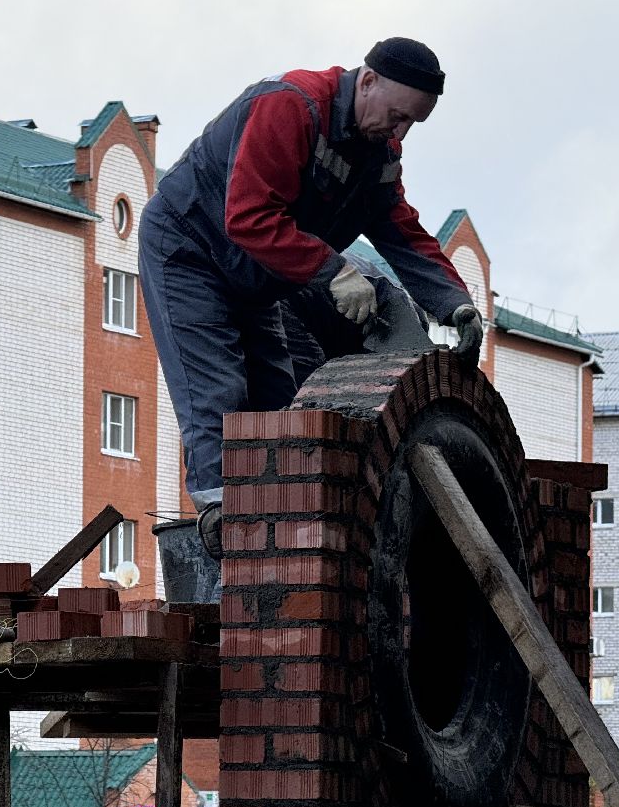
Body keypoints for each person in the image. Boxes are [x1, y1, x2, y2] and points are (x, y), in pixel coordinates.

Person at [139, 38, 485, 554]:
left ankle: (279, 529)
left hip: (257, 274)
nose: (400, 133)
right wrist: (333, 271)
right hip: (190, 250)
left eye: (412, 123)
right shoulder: (290, 105)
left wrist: (453, 303)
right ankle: (222, 520)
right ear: (367, 81)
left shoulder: (378, 153)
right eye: (396, 116)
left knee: (278, 399)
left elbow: (402, 233)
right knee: (219, 390)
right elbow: (248, 217)